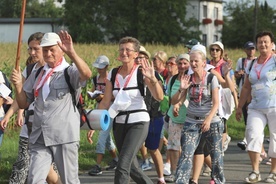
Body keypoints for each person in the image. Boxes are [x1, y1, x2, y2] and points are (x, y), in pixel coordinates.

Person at [10, 31, 92, 184]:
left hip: (64, 136)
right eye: (45, 50)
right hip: (39, 135)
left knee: (69, 180)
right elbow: (23, 103)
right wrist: (18, 86)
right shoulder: (38, 72)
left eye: (52, 49)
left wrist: (72, 52)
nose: (48, 53)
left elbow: (87, 74)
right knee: (34, 179)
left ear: (61, 50)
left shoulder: (69, 71)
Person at [91, 37, 163, 184]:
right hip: (119, 122)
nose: (124, 52)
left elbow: (159, 96)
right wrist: (95, 121)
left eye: (128, 50)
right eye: (121, 49)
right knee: (131, 166)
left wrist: (153, 79)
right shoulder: (113, 73)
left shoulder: (142, 72)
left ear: (136, 54)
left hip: (139, 122)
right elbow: (106, 101)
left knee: (122, 165)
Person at [0, 32, 61, 184]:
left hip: (49, 128)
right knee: (21, 166)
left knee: (48, 173)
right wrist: (8, 116)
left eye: (36, 49)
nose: (32, 53)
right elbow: (22, 97)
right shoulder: (29, 69)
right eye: (30, 49)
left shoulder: (55, 70)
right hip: (30, 126)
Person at [173, 49, 225, 184]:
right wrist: (179, 97)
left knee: (216, 155)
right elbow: (177, 100)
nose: (193, 63)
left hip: (211, 121)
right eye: (191, 61)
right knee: (186, 154)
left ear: (203, 63)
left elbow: (216, 103)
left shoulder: (211, 77)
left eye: (196, 61)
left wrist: (208, 119)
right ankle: (181, 181)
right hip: (191, 121)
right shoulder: (188, 78)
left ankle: (219, 180)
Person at [236, 30, 276, 183]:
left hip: (274, 106)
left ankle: (273, 172)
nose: (263, 44)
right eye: (260, 42)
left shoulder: (274, 60)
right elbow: (246, 87)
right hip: (256, 107)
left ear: (272, 44)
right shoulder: (252, 63)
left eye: (266, 41)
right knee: (252, 134)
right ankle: (255, 171)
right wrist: (240, 107)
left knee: (275, 138)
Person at [135, 46, 166, 184]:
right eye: (137, 57)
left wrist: (152, 79)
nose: (139, 59)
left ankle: (161, 178)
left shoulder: (155, 75)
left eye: (142, 57)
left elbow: (160, 95)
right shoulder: (131, 75)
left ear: (147, 59)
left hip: (154, 115)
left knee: (153, 148)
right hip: (138, 116)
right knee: (131, 147)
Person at [87, 55, 118, 176]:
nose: (99, 70)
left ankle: (98, 165)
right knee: (107, 138)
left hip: (109, 110)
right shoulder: (96, 79)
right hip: (99, 108)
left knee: (102, 136)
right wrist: (93, 95)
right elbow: (92, 90)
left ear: (106, 67)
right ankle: (116, 160)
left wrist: (104, 97)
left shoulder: (112, 79)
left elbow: (116, 95)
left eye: (101, 67)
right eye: (98, 68)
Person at [164, 53, 190, 183]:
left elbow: (191, 98)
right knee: (174, 146)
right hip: (174, 117)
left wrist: (179, 104)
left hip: (189, 118)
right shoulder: (173, 79)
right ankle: (175, 172)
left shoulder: (192, 79)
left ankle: (209, 168)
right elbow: (170, 98)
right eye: (180, 63)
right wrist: (173, 107)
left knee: (189, 148)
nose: (182, 66)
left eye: (185, 63)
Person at [209, 41, 237, 153]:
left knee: (222, 121)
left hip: (223, 96)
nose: (214, 52)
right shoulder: (207, 64)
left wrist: (237, 103)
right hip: (210, 95)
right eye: (212, 49)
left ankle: (220, 148)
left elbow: (231, 87)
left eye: (217, 50)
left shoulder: (224, 65)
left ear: (221, 52)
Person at [235, 41, 256, 151]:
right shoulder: (241, 61)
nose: (251, 51)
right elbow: (236, 74)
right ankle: (249, 139)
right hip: (243, 91)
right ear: (245, 50)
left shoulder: (257, 61)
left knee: (252, 117)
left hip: (254, 93)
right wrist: (239, 74)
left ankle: (247, 140)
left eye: (252, 49)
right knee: (247, 117)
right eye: (248, 49)